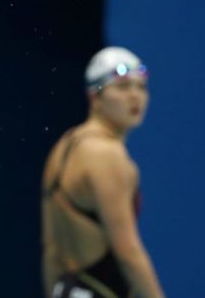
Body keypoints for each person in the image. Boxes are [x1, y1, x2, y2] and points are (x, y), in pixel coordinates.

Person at [41, 46, 166, 298]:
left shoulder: (64, 146)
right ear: (95, 97)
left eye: (141, 87)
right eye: (122, 87)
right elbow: (128, 252)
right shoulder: (107, 155)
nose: (135, 96)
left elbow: (52, 249)